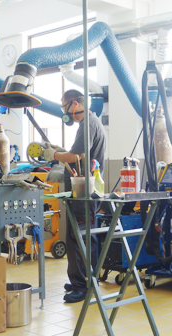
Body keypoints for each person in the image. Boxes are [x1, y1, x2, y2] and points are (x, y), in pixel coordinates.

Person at [42, 89, 107, 303]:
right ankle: (88, 279)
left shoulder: (87, 124)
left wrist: (54, 155)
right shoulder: (91, 123)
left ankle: (81, 285)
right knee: (87, 235)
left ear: (75, 104)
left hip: (82, 190)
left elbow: (76, 156)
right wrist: (61, 150)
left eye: (64, 106)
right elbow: (79, 154)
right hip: (87, 190)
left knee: (76, 237)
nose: (64, 111)